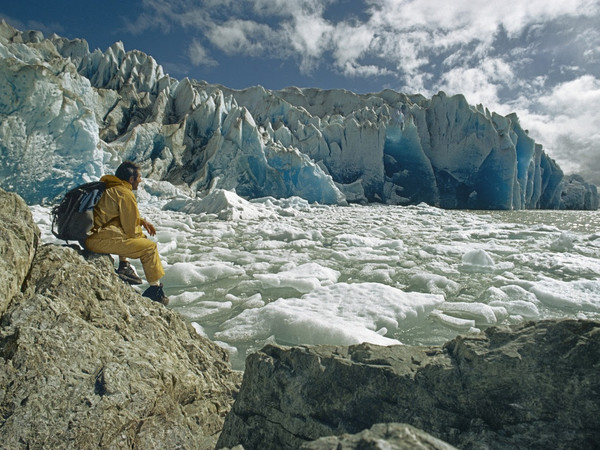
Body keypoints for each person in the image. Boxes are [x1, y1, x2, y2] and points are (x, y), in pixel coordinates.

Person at [85, 161, 169, 305]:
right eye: (139, 177)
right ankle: (155, 290)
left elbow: (116, 217)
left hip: (90, 236)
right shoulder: (124, 193)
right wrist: (142, 238)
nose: (140, 180)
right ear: (131, 179)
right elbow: (130, 229)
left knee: (125, 232)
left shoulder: (110, 188)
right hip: (97, 240)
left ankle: (124, 265)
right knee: (149, 247)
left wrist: (141, 221)